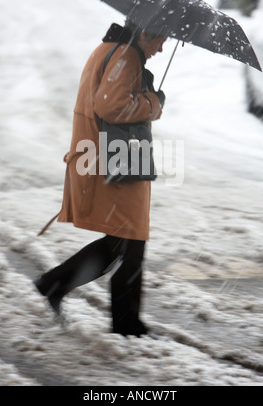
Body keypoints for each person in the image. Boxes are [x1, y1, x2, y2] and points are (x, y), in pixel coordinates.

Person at [34, 20, 166, 337]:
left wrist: (144, 91)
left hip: (111, 157)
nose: (161, 48)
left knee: (125, 240)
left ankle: (59, 286)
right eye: (160, 40)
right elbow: (111, 105)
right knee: (130, 239)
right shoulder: (126, 56)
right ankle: (124, 323)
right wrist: (154, 103)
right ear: (146, 33)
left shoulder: (112, 50)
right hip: (114, 161)